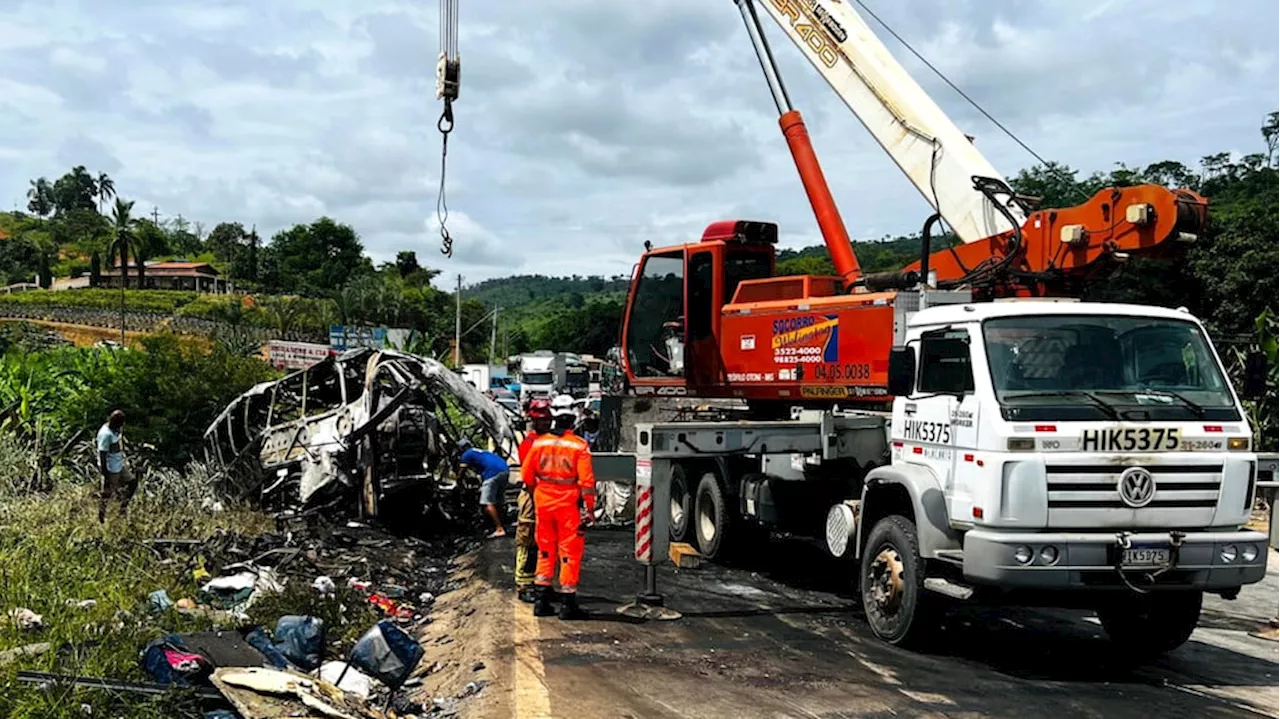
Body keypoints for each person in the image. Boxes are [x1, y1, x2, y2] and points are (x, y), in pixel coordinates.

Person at [520, 393, 596, 620]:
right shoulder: (579, 446)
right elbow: (587, 483)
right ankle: (568, 605)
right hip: (568, 508)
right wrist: (590, 509)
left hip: (543, 504)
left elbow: (526, 475)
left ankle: (541, 602)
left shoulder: (539, 443)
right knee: (569, 554)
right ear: (573, 420)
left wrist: (538, 495)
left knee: (545, 551)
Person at [515, 398, 553, 603]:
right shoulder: (529, 444)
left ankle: (541, 583)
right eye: (542, 421)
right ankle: (524, 584)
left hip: (547, 496)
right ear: (534, 421)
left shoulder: (549, 442)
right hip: (532, 495)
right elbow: (530, 476)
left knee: (544, 543)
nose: (546, 424)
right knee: (527, 539)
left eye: (548, 420)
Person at [457, 438, 511, 538]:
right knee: (498, 501)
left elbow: (461, 473)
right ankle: (503, 522)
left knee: (487, 503)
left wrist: (458, 483)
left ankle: (499, 529)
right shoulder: (480, 451)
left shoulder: (467, 454)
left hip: (492, 474)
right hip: (505, 470)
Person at [96, 410, 136, 523]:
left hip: (119, 463)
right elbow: (102, 454)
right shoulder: (105, 434)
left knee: (132, 482)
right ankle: (101, 518)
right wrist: (105, 474)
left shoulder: (117, 429)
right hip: (110, 467)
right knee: (107, 493)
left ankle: (123, 509)